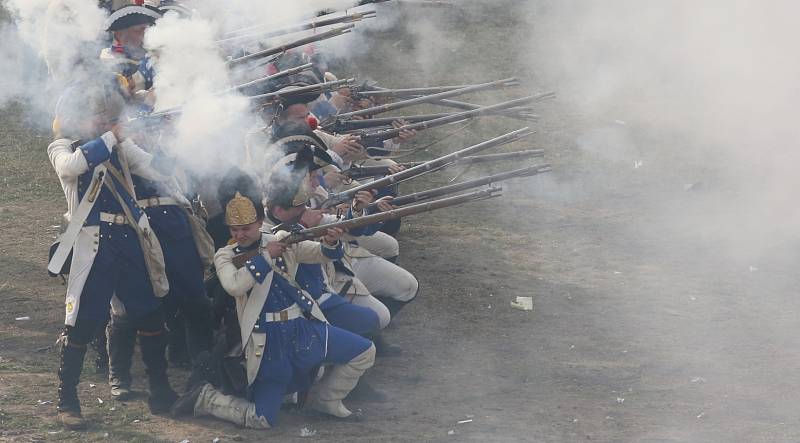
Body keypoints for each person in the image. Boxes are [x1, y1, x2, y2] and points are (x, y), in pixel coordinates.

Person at [171, 171, 376, 428]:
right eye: (235, 229)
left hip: (301, 328)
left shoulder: (279, 239)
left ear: (259, 223)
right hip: (265, 340)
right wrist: (266, 257)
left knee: (364, 351)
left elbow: (319, 255)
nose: (240, 234)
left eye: (246, 228)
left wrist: (330, 242)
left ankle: (327, 400)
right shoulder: (225, 255)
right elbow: (235, 286)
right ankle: (207, 399)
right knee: (263, 419)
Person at [48, 77, 177, 429]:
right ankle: (67, 399)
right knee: (84, 321)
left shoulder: (118, 146)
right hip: (93, 244)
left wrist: (163, 135)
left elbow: (157, 169)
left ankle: (160, 389)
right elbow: (72, 167)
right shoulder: (63, 146)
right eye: (98, 116)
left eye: (107, 116)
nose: (105, 121)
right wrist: (111, 136)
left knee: (149, 313)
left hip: (128, 239)